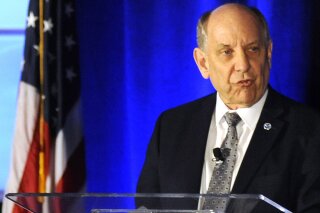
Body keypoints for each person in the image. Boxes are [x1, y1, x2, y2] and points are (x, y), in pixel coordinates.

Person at [136, 3, 320, 212]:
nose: (243, 64)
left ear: (268, 53)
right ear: (203, 63)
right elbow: (147, 206)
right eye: (227, 52)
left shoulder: (310, 130)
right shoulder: (171, 126)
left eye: (252, 49)